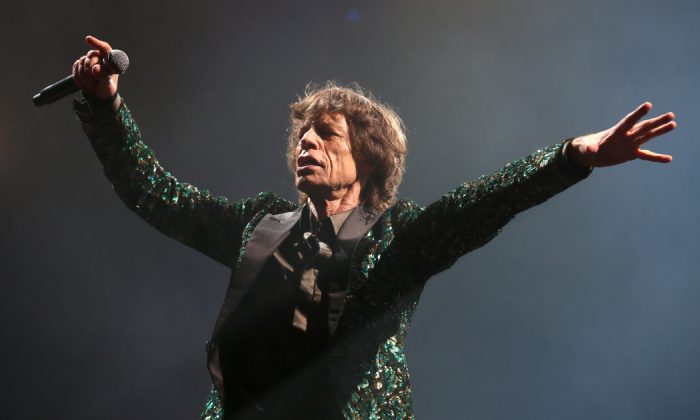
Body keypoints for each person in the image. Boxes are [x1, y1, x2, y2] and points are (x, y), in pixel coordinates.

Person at [71, 35, 676, 419]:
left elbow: (480, 205)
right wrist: (106, 107)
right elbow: (155, 194)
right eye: (302, 137)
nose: (306, 143)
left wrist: (571, 156)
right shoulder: (258, 225)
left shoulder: (395, 241)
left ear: (369, 156)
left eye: (325, 134)